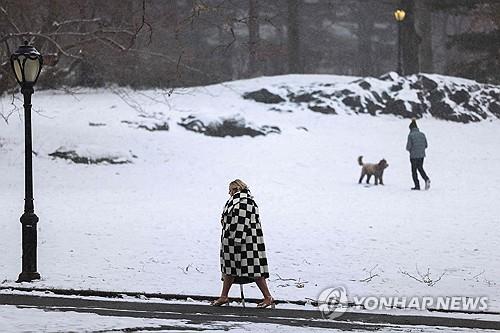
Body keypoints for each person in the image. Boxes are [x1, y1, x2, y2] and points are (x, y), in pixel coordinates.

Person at [212, 179, 274, 308]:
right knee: (229, 270)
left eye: (231, 190)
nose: (229, 192)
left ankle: (268, 297)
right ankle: (224, 296)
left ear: (236, 189)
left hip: (245, 243)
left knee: (254, 270)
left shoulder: (244, 202)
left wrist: (237, 241)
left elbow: (241, 222)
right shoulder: (235, 201)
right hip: (231, 241)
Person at [406, 119, 431, 190]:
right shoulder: (422, 134)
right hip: (422, 155)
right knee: (420, 168)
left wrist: (410, 150)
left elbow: (408, 147)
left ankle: (417, 186)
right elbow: (426, 145)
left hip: (413, 156)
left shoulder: (410, 135)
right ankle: (426, 179)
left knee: (414, 171)